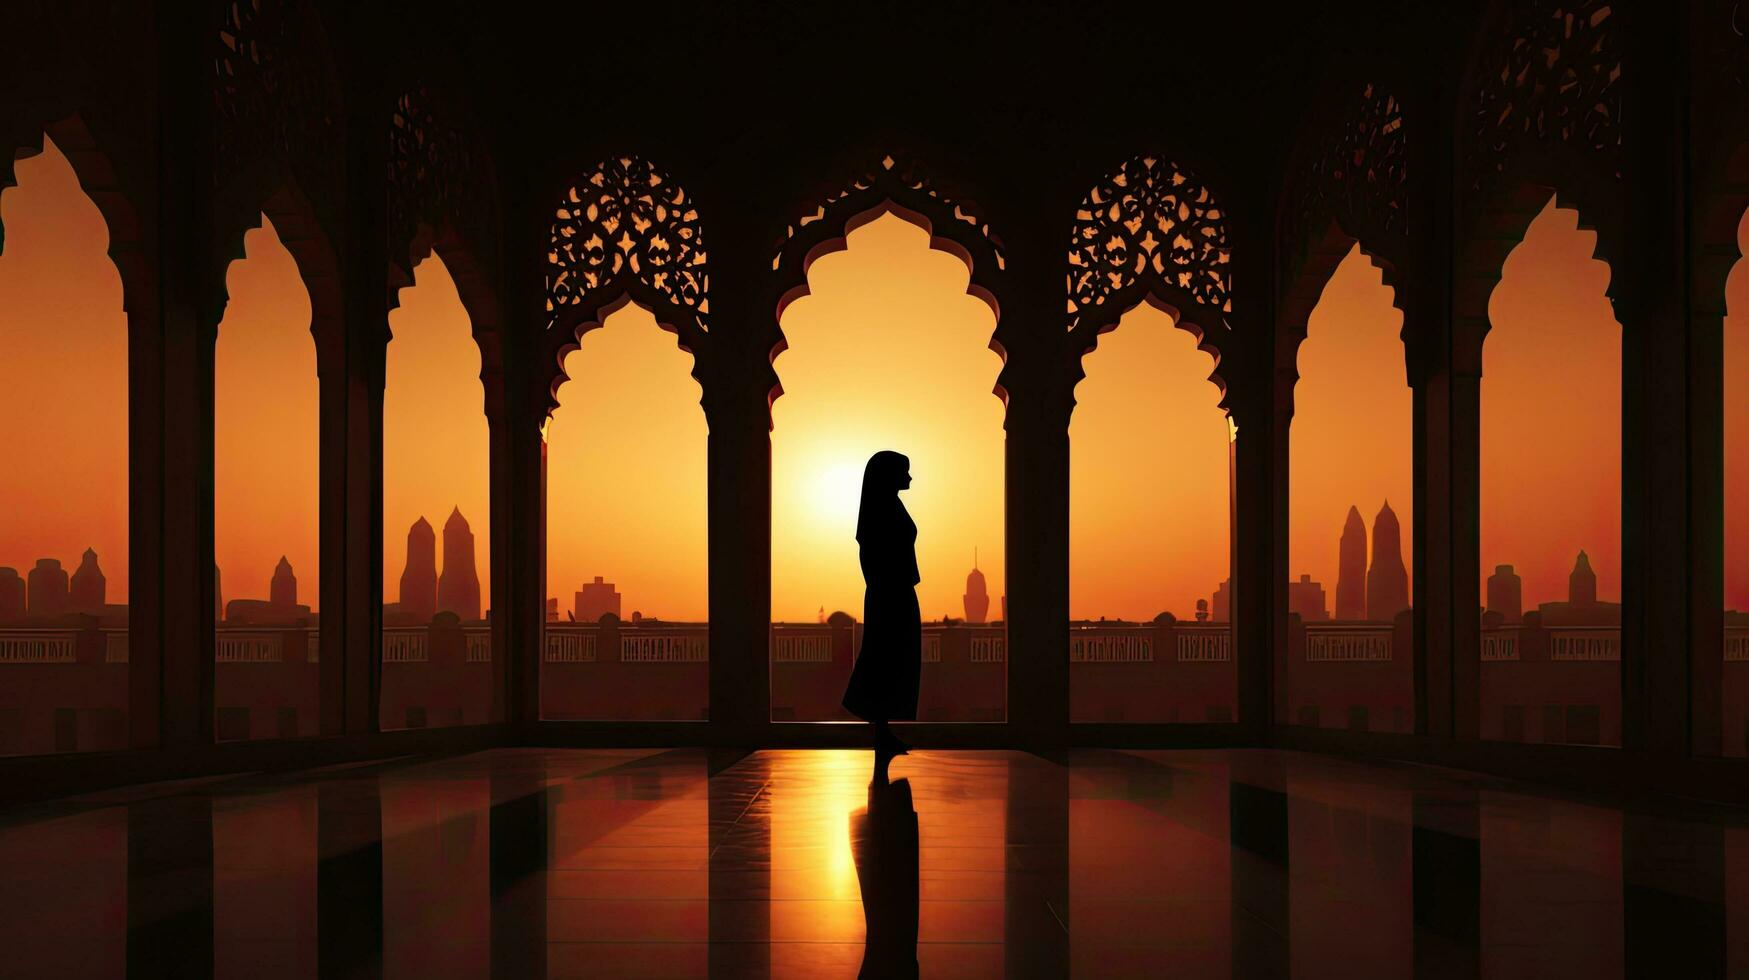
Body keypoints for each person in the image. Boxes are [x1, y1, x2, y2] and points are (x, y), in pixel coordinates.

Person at [841, 450, 922, 759]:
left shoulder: (889, 505)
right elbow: (871, 554)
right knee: (885, 657)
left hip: (893, 590)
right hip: (889, 592)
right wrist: (883, 586)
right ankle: (881, 730)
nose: (910, 477)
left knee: (891, 658)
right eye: (905, 472)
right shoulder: (883, 509)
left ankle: (883, 731)